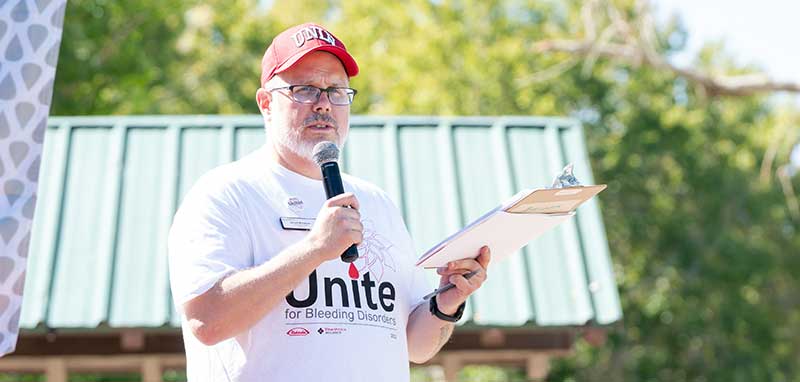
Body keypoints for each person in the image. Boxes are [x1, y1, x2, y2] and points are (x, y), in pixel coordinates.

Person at [168, 22, 491, 381]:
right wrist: (314, 250)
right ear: (266, 103)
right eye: (304, 90)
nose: (323, 104)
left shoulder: (377, 204)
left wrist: (446, 302)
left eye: (336, 91)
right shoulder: (226, 194)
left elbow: (415, 346)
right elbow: (207, 321)